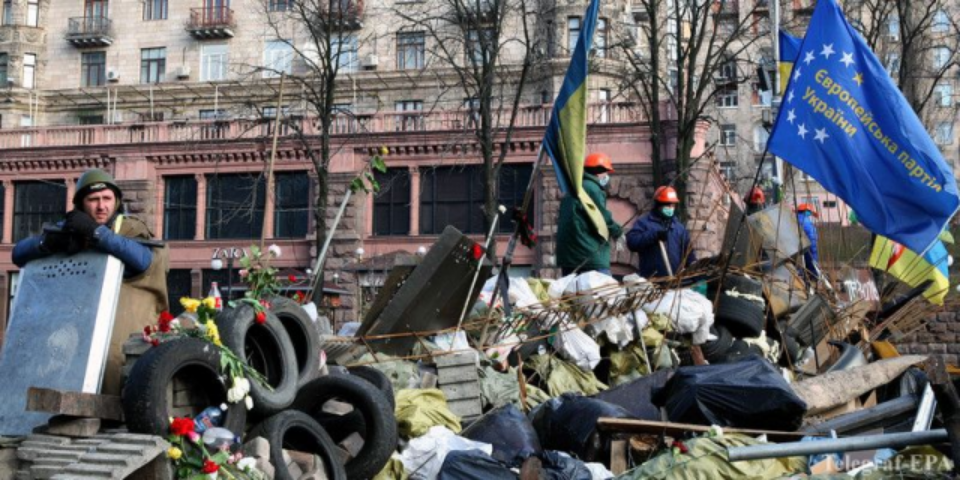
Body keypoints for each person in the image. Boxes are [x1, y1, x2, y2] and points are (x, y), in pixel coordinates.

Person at [13, 169, 169, 396]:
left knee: (112, 363)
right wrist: (50, 242)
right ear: (80, 203)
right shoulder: (70, 226)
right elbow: (18, 254)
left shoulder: (130, 227)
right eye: (93, 199)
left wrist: (97, 234)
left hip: (122, 319)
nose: (101, 206)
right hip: (76, 320)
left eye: (107, 199)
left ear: (116, 201)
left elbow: (144, 260)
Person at [556, 152, 623, 276]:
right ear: (598, 172)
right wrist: (617, 231)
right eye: (606, 172)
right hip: (588, 253)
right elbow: (601, 216)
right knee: (603, 291)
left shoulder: (573, 187)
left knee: (571, 293)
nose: (607, 176)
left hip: (568, 255)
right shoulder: (592, 188)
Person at [626, 186, 696, 278]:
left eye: (673, 205)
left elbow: (688, 253)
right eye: (667, 205)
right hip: (652, 281)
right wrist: (654, 235)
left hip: (674, 282)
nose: (671, 208)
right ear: (658, 204)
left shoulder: (679, 228)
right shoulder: (644, 223)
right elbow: (632, 242)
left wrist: (694, 265)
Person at [796, 203, 820, 282]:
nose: (810, 213)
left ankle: (807, 275)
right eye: (809, 211)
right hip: (810, 242)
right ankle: (813, 276)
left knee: (807, 261)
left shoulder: (799, 218)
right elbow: (811, 232)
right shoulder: (804, 219)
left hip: (806, 242)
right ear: (805, 211)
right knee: (811, 261)